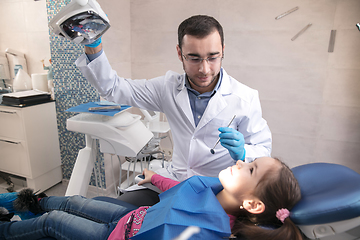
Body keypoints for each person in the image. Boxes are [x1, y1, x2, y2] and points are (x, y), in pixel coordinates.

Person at [75, 15, 272, 184]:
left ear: (223, 51)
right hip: (177, 180)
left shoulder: (245, 98)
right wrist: (93, 44)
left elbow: (264, 152)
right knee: (124, 210)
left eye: (213, 57)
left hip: (218, 188)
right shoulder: (167, 88)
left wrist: (243, 153)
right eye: (194, 58)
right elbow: (114, 88)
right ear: (180, 53)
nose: (204, 69)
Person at [0, 157, 302, 240]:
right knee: (71, 201)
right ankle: (24, 202)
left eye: (250, 168)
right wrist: (152, 177)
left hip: (114, 237)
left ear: (252, 204)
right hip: (129, 218)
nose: (239, 162)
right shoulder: (210, 187)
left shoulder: (212, 231)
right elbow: (181, 187)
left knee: (55, 222)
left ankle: (6, 231)